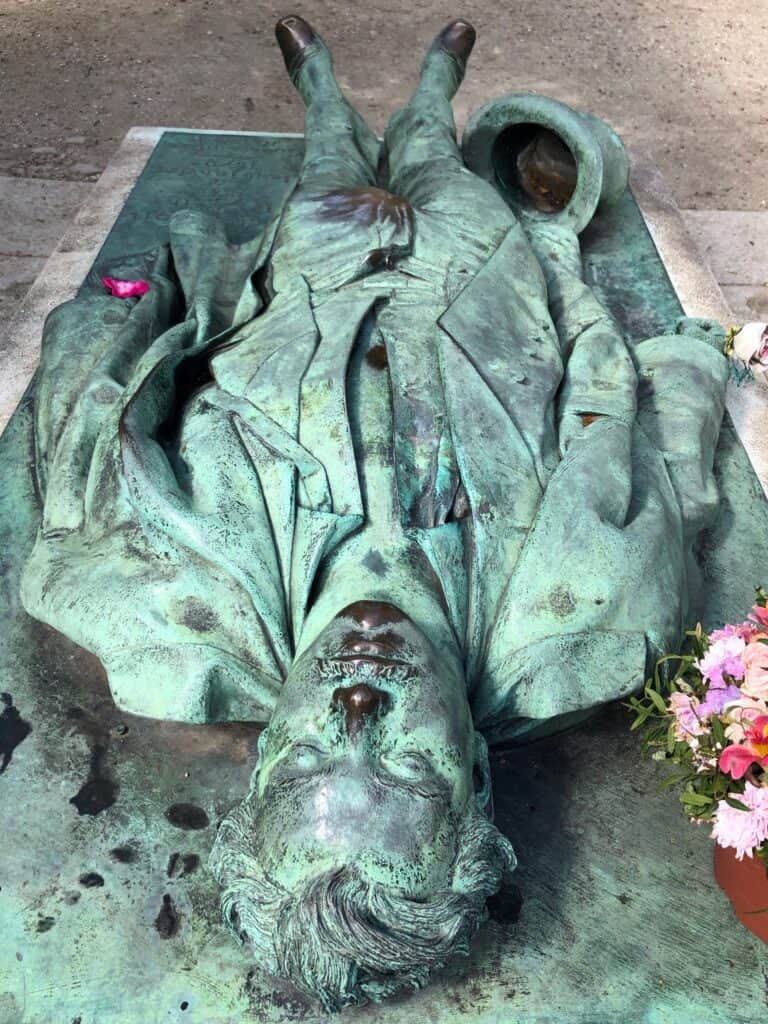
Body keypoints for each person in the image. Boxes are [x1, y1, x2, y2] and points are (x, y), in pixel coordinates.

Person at [20, 15, 728, 1010]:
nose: (357, 704)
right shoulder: (597, 612)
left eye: (308, 749)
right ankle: (437, 87)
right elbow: (614, 417)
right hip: (474, 294)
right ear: (478, 775)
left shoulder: (154, 616)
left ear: (264, 755)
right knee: (439, 161)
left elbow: (92, 442)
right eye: (406, 757)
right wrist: (563, 266)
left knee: (323, 168)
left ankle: (321, 92)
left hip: (310, 297)